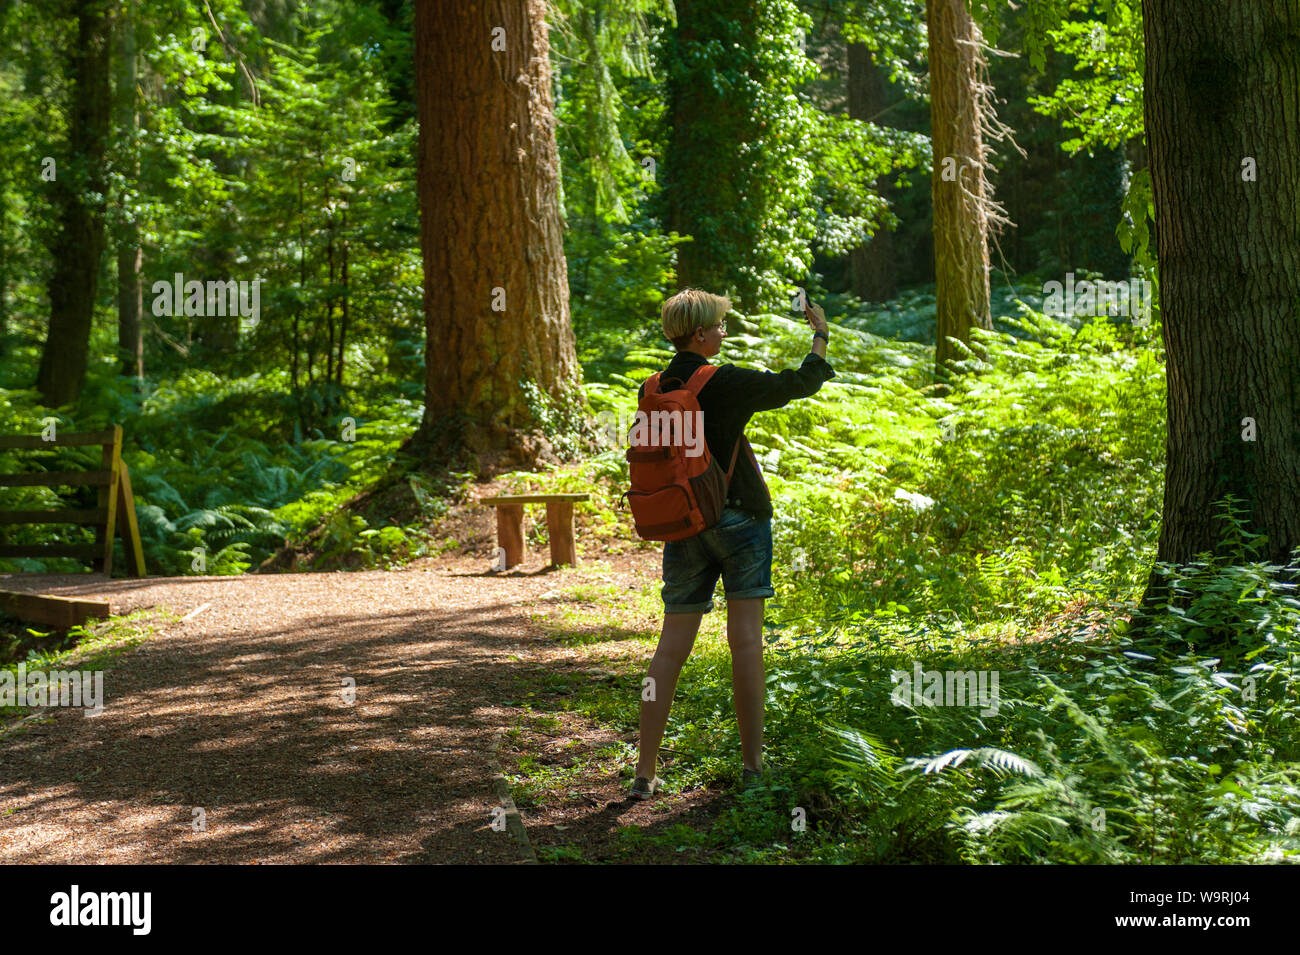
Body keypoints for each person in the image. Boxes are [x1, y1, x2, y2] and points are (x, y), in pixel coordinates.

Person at [631, 288, 835, 799]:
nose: (724, 333)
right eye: (719, 326)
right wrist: (820, 334)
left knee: (669, 649)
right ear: (699, 334)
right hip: (740, 521)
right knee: (744, 643)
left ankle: (645, 772)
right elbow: (800, 383)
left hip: (683, 524)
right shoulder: (724, 381)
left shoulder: (654, 386)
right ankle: (752, 769)